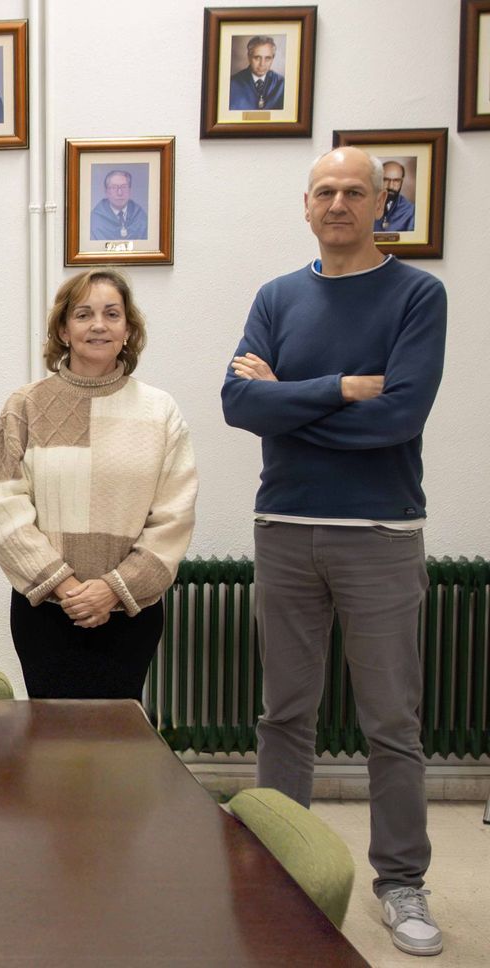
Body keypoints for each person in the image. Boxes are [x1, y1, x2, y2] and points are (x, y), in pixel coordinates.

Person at [221, 146, 447, 958]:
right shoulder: (278, 295)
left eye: (357, 191)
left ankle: (402, 883)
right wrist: (342, 387)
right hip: (283, 528)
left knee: (393, 722)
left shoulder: (418, 294)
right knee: (284, 712)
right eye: (327, 191)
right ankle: (284, 865)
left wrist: (288, 399)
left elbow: (399, 419)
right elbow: (237, 403)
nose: (341, 202)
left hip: (381, 533)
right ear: (306, 204)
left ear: (383, 204)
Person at [0, 270, 196, 700]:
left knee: (117, 745)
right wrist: (66, 586)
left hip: (130, 611)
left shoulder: (159, 411)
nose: (99, 325)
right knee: (50, 746)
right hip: (47, 610)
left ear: (128, 330)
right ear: (63, 329)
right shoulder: (26, 406)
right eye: (84, 314)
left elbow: (174, 515)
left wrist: (112, 589)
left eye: (112, 314)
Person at [228, 36, 286, 111]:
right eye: (257, 58)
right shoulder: (232, 84)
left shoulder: (282, 84)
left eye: (267, 58)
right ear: (249, 57)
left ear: (273, 58)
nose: (262, 64)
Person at [89, 170, 148, 241]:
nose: (120, 193)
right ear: (106, 192)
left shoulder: (140, 216)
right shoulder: (95, 219)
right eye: (114, 187)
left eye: (124, 187)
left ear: (129, 190)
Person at [376, 161, 416, 232]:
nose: (391, 186)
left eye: (396, 181)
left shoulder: (410, 211)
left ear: (401, 182)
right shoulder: (365, 206)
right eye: (386, 180)